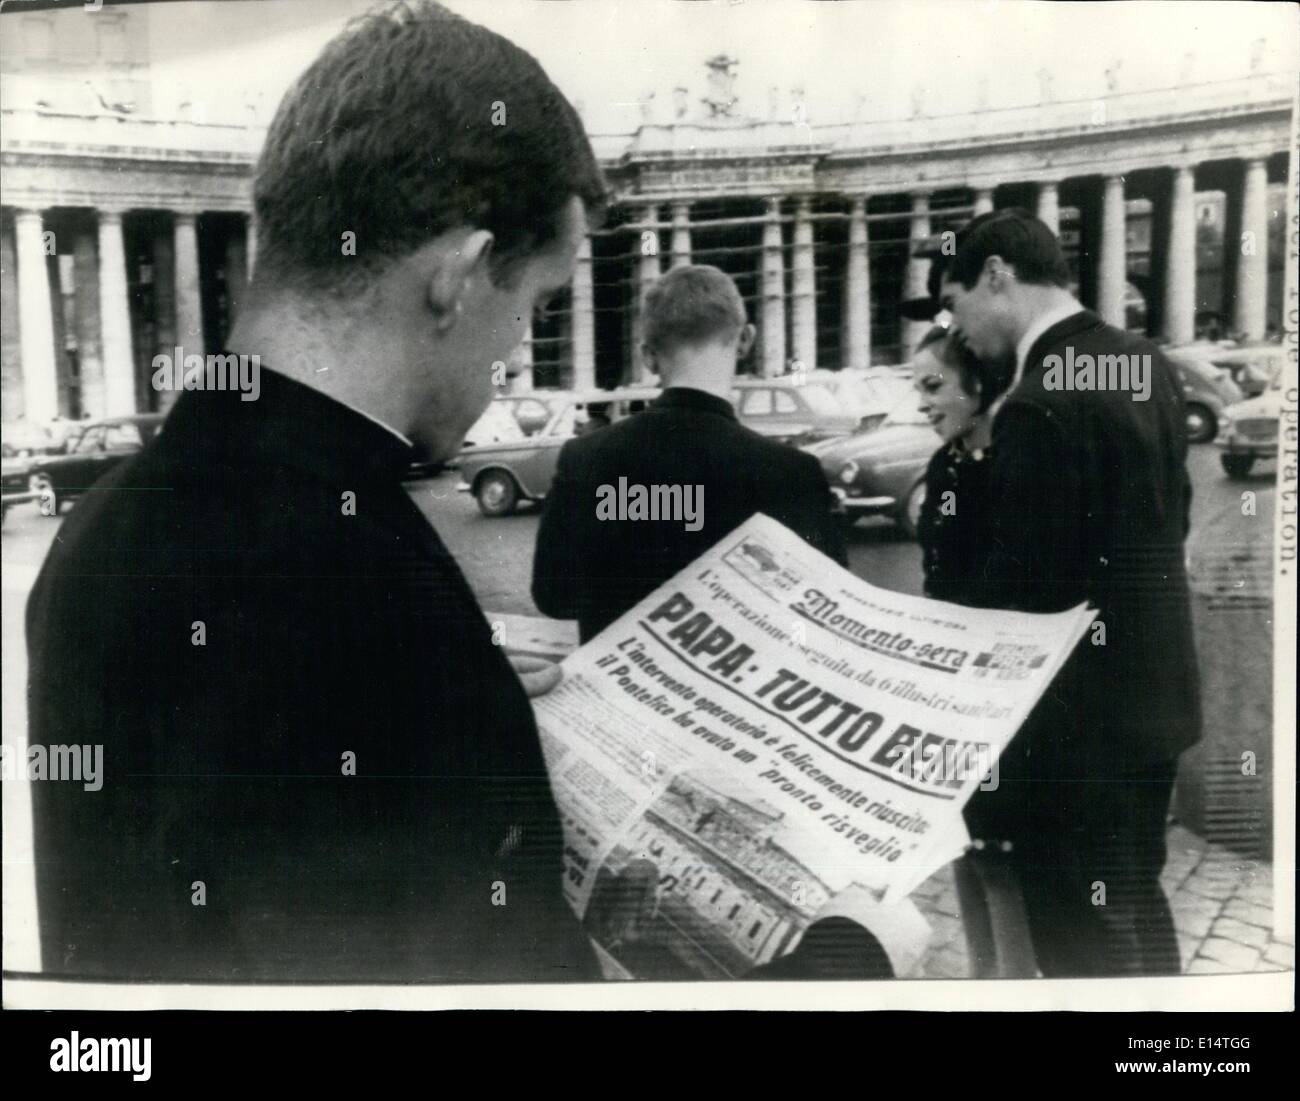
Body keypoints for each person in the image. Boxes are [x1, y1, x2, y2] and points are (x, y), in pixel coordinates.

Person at [27, 0, 607, 983]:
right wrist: (839, 958)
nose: (517, 349)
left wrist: (442, 722)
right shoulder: (368, 597)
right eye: (534, 304)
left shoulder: (104, 522)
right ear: (460, 277)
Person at [938, 208, 1202, 977]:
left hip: (1079, 732)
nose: (957, 332)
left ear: (996, 275)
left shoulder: (1034, 402)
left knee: (1083, 939)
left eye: (955, 304)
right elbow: (1175, 511)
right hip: (1156, 702)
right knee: (1135, 899)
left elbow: (1022, 590)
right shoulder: (1143, 359)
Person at [532, 264, 847, 644]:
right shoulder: (792, 473)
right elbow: (827, 610)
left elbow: (554, 597)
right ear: (746, 340)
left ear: (648, 356)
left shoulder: (585, 458)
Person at [910, 324, 1035, 979]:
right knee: (963, 842)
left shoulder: (1018, 465)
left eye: (934, 385)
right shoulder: (944, 463)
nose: (923, 402)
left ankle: (1011, 984)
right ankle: (981, 974)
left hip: (1007, 696)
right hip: (953, 693)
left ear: (979, 384)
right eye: (918, 389)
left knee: (1000, 853)